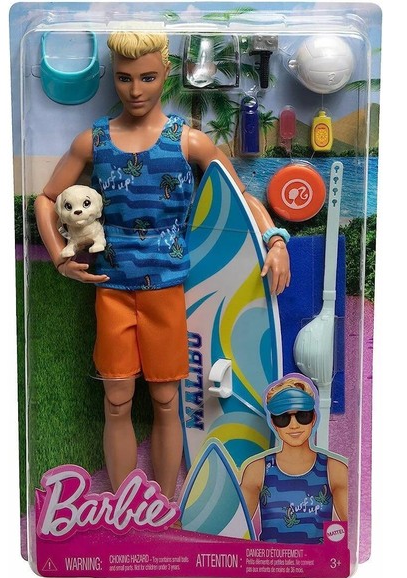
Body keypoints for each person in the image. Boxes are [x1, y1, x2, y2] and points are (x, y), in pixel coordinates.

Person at [34, 32, 291, 500]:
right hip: (111, 288)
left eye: (148, 77)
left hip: (167, 291)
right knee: (116, 400)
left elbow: (239, 194)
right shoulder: (93, 141)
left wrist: (274, 239)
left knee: (167, 399)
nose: (135, 90)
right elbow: (47, 198)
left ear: (166, 73)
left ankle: (165, 503)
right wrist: (59, 257)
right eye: (124, 78)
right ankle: (125, 507)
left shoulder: (188, 142)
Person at [241, 375, 348, 544]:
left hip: (318, 559)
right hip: (270, 559)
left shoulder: (334, 470)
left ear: (313, 418)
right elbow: (235, 527)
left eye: (302, 416)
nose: (294, 425)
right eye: (283, 418)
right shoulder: (257, 470)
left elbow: (357, 529)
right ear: (274, 423)